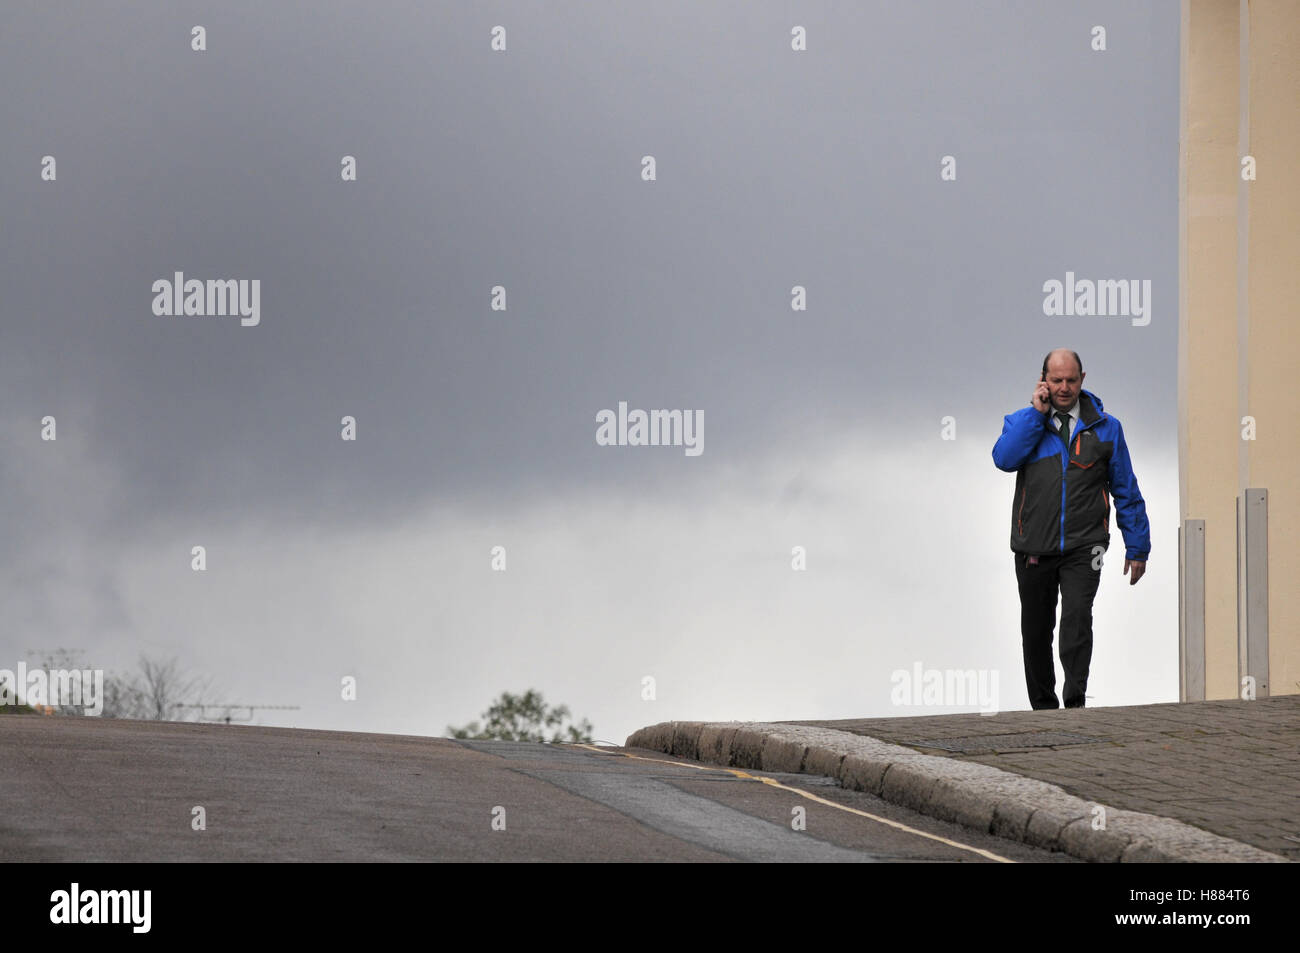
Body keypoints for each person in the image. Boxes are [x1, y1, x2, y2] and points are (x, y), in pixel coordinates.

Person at [991, 349, 1150, 709]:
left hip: (1086, 546)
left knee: (1078, 618)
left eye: (1071, 380)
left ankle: (1075, 701)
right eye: (1057, 380)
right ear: (1043, 380)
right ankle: (1044, 708)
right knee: (1036, 630)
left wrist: (1137, 546)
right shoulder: (1023, 422)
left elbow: (1126, 489)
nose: (1064, 388)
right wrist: (1037, 415)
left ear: (1082, 379)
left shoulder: (1107, 428)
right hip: (1034, 546)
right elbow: (1004, 459)